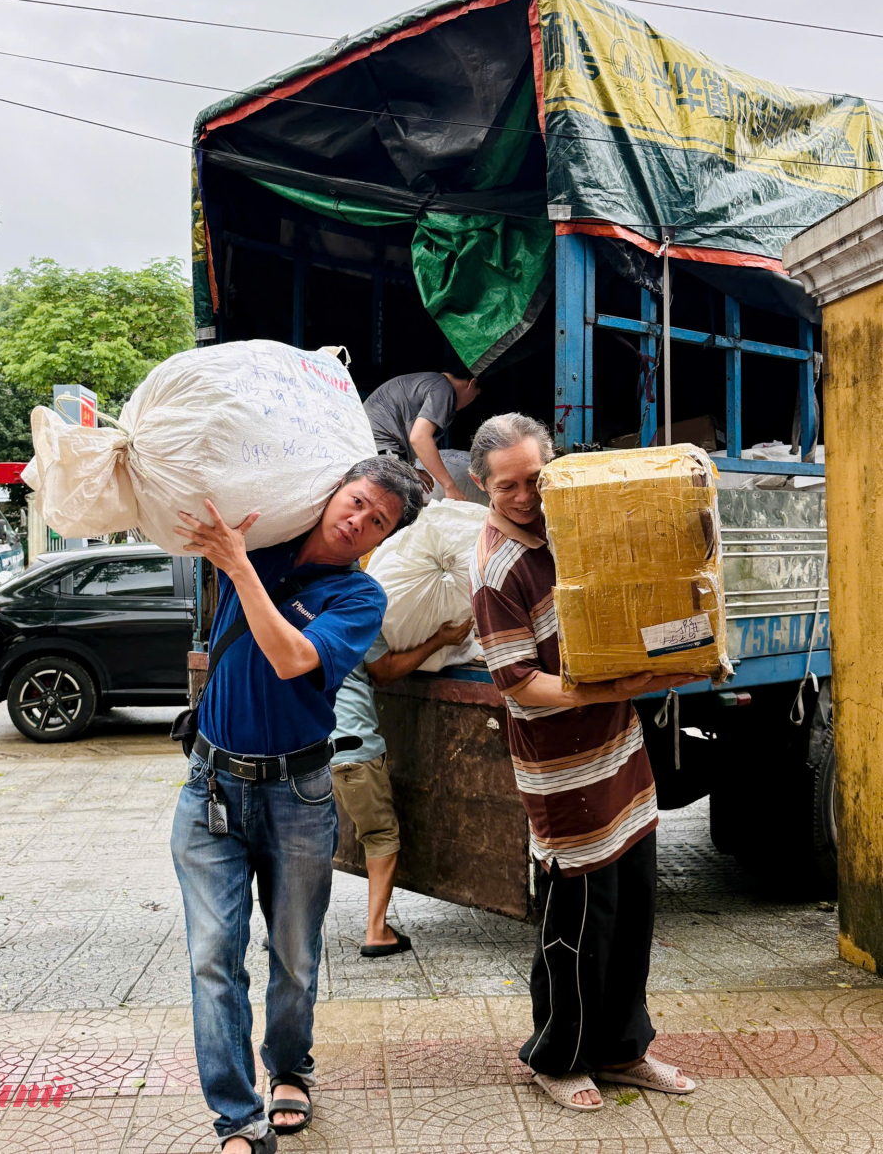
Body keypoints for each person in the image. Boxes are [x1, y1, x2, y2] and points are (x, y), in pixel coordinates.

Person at [170, 457, 424, 1154]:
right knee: (213, 955)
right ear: (331, 493)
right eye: (356, 500)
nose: (358, 520)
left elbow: (288, 657)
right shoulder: (265, 537)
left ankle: (290, 1067)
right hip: (212, 788)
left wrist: (237, 566)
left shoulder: (359, 597)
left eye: (378, 520)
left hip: (299, 793)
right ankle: (236, 1117)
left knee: (293, 951)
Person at [467, 413, 702, 1113]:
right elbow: (516, 683)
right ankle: (558, 1056)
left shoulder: (571, 528)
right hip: (563, 777)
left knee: (631, 910)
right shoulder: (496, 569)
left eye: (534, 478)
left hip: (621, 758)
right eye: (507, 484)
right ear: (482, 486)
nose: (524, 495)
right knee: (575, 927)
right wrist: (605, 686)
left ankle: (624, 1048)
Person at [330, 615, 474, 955]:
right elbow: (384, 670)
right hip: (353, 747)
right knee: (380, 836)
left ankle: (287, 928)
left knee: (304, 837)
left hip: (305, 745)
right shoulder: (355, 604)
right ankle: (377, 932)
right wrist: (440, 640)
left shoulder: (293, 602)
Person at [363, 370, 480, 499]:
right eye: (475, 395)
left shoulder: (429, 381)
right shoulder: (444, 389)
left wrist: (410, 469)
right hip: (381, 448)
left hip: (369, 444)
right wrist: (449, 486)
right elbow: (419, 438)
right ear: (472, 384)